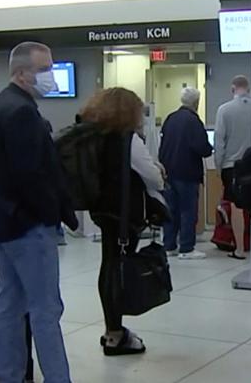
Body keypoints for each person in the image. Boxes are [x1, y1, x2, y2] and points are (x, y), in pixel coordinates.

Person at [0, 41, 78, 382]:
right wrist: (53, 213)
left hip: (4, 223)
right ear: (21, 74)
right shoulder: (22, 112)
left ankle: (8, 375)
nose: (51, 76)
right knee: (45, 309)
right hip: (28, 226)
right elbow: (31, 174)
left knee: (10, 304)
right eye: (44, 69)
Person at [81, 87, 165, 356]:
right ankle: (115, 333)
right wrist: (159, 171)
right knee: (117, 268)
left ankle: (112, 329)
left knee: (108, 265)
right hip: (125, 213)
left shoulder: (95, 135)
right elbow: (153, 178)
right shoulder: (128, 140)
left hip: (102, 211)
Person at [159, 87, 213, 260]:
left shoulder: (170, 118)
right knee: (188, 211)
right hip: (187, 173)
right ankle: (187, 248)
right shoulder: (194, 121)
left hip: (169, 172)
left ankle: (169, 246)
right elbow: (202, 148)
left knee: (171, 210)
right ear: (196, 102)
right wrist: (209, 149)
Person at [214, 75, 251, 260]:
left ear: (232, 89)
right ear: (249, 89)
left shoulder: (224, 109)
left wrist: (218, 166)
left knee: (236, 207)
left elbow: (219, 140)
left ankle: (239, 248)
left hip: (232, 166)